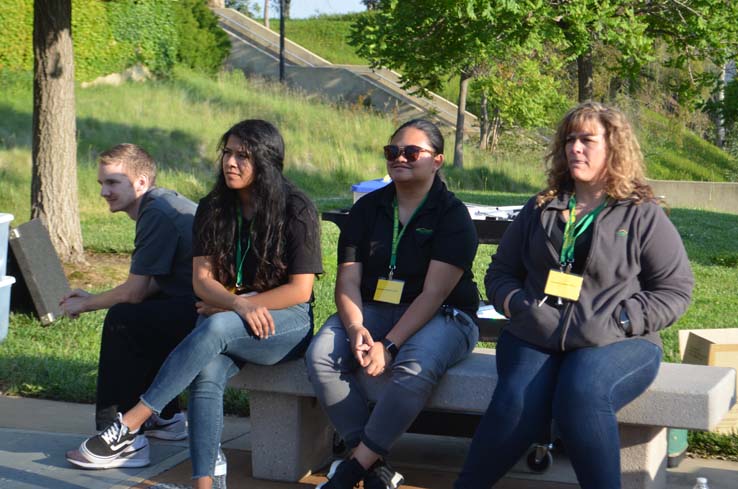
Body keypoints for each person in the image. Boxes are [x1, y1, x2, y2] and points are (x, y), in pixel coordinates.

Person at [66, 120, 323, 489]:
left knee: (214, 326)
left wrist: (241, 307)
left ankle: (131, 421)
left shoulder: (296, 208)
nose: (230, 162)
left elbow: (299, 291)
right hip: (231, 313)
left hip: (285, 321)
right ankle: (204, 483)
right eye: (227, 153)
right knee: (207, 371)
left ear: (266, 161)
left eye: (243, 156)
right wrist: (237, 303)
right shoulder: (214, 207)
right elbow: (203, 283)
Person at [454, 102, 694, 489]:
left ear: (614, 147)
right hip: (535, 334)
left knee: (580, 394)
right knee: (516, 402)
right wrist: (517, 305)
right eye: (570, 140)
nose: (575, 148)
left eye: (587, 140)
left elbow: (675, 290)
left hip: (616, 340)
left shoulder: (641, 213)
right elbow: (500, 273)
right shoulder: (542, 206)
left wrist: (623, 319)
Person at [306, 119, 480, 489]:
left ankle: (351, 471)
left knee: (415, 365)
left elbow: (434, 293)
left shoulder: (452, 215)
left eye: (412, 152)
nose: (400, 158)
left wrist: (388, 345)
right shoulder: (367, 209)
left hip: (445, 315)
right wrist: (355, 329)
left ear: (437, 161)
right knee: (322, 353)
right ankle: (371, 462)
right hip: (373, 308)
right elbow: (348, 280)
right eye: (392, 151)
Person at [60, 143, 198, 439]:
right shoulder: (159, 205)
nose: (103, 192)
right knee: (144, 313)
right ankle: (166, 416)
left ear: (141, 183)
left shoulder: (156, 213)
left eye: (112, 182)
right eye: (101, 183)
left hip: (214, 312)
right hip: (201, 303)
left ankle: (118, 434)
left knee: (123, 319)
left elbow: (134, 292)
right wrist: (92, 297)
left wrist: (85, 305)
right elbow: (155, 283)